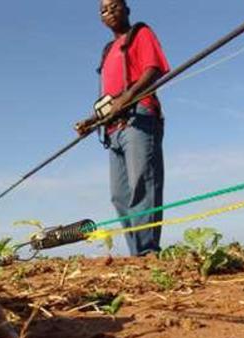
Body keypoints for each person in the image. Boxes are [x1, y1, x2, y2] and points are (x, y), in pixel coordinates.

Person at [75, 1, 170, 256]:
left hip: (138, 118)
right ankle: (137, 253)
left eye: (114, 6)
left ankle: (148, 251)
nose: (109, 13)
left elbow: (153, 70)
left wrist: (126, 99)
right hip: (112, 128)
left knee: (143, 184)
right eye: (103, 10)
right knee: (119, 195)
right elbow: (109, 99)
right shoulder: (108, 51)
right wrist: (91, 121)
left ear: (127, 9)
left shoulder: (140, 33)